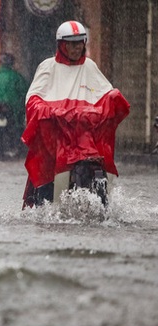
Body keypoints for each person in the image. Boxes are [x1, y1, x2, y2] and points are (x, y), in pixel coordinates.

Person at [21, 20, 130, 207]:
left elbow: (105, 93)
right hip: (56, 133)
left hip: (83, 133)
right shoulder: (48, 67)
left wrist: (113, 99)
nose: (76, 48)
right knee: (46, 168)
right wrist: (48, 110)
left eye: (80, 43)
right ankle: (45, 203)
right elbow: (33, 98)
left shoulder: (89, 67)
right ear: (61, 45)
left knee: (101, 158)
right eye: (72, 43)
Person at [0, 52, 29, 154]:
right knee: (18, 127)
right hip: (12, 109)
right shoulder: (17, 77)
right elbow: (24, 92)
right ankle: (16, 147)